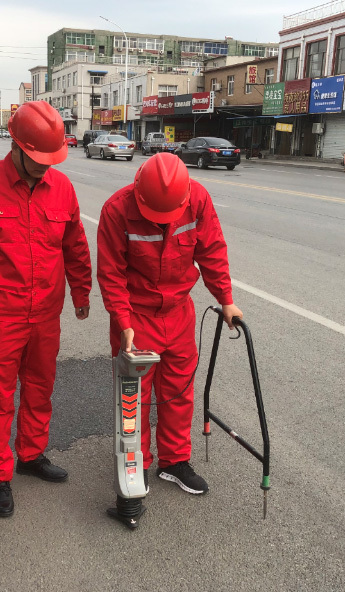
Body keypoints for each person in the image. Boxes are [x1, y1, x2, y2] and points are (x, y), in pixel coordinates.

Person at [0, 100, 92, 518]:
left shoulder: (62, 189)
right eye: (38, 160)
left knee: (40, 387)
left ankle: (31, 454)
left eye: (51, 160)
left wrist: (81, 294)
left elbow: (75, 248)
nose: (46, 167)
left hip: (46, 312)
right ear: (17, 146)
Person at [96, 152, 242, 496]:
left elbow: (212, 250)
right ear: (139, 193)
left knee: (178, 392)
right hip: (137, 315)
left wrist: (226, 300)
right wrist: (123, 320)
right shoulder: (117, 210)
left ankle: (174, 461)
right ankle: (137, 461)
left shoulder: (197, 200)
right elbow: (111, 273)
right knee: (135, 397)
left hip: (178, 313)